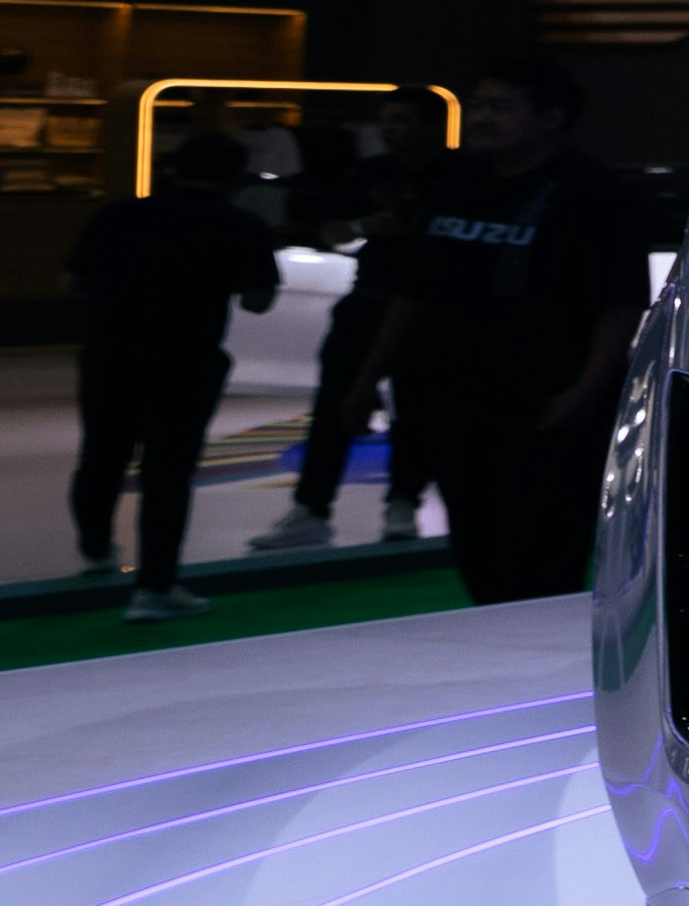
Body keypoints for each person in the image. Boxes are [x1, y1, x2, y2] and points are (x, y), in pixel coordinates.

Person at [386, 58, 654, 605]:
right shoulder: (455, 183)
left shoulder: (596, 195)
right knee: (475, 543)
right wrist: (373, 375)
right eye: (477, 105)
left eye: (499, 107)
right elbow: (412, 290)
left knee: (544, 552)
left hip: (545, 403)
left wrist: (587, 390)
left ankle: (542, 674)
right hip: (453, 398)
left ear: (551, 118)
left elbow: (620, 303)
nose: (481, 118)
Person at [65, 129, 287, 621]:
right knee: (169, 471)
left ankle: (97, 550)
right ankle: (155, 588)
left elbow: (73, 281)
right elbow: (258, 300)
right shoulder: (241, 225)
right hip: (187, 359)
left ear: (173, 168)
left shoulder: (118, 214)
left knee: (101, 455)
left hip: (110, 352)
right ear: (234, 178)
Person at [259, 95, 447, 552]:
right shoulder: (368, 174)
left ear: (433, 125)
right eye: (386, 121)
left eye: (401, 120)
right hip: (369, 299)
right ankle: (313, 508)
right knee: (335, 407)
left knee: (417, 408)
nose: (390, 130)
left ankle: (402, 501)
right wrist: (365, 224)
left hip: (430, 309)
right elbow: (330, 230)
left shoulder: (461, 177)